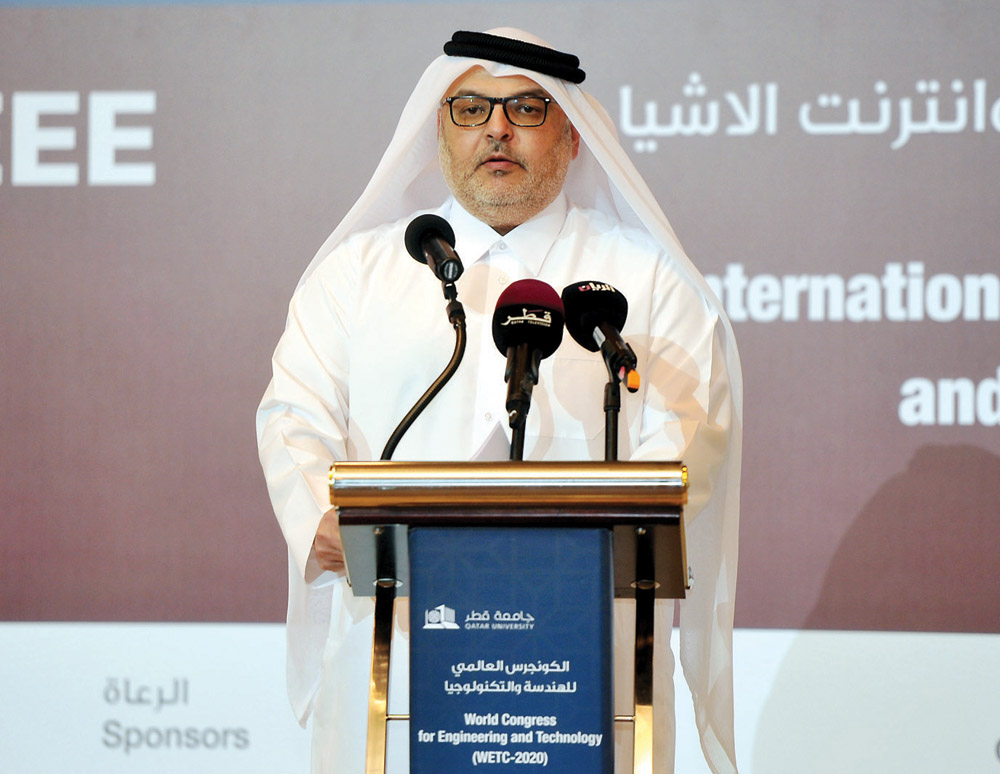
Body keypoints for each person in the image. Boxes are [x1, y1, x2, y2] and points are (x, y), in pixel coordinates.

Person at [257, 28, 742, 774]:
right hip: (398, 654)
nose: (496, 128)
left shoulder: (645, 280)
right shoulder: (357, 276)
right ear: (441, 131)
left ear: (573, 136)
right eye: (471, 108)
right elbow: (296, 414)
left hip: (587, 665)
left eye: (525, 108)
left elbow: (687, 435)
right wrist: (316, 517)